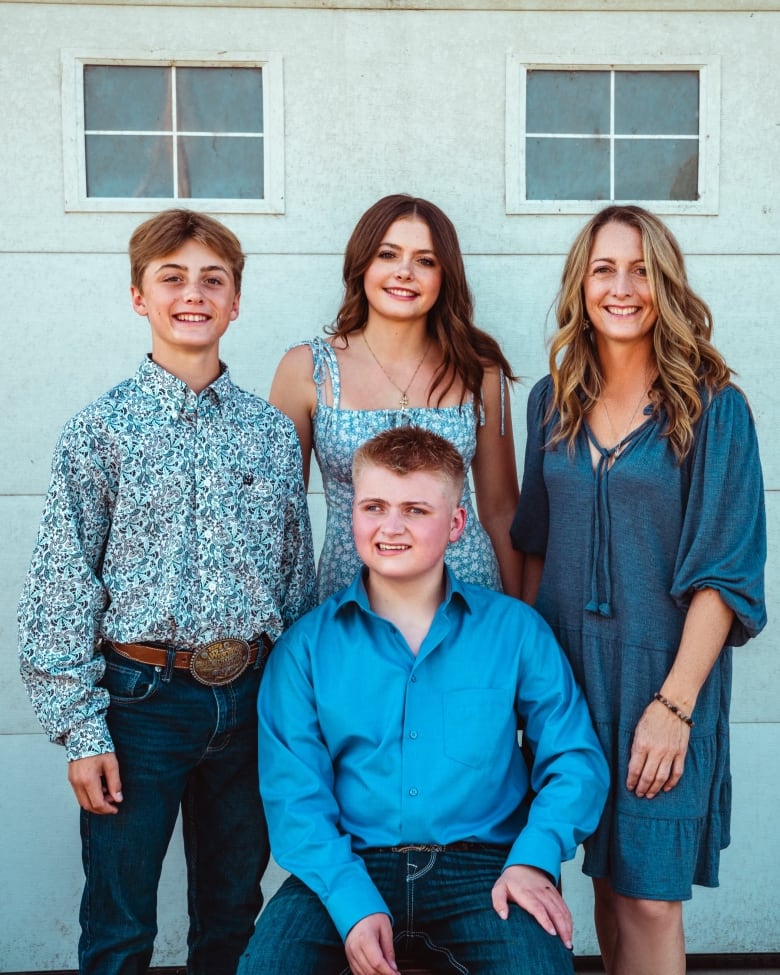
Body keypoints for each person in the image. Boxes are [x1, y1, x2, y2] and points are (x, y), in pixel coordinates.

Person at [17, 209, 316, 975]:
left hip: (248, 699)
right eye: (172, 277)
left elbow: (293, 575)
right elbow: (61, 582)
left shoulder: (269, 433)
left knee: (231, 912)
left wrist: (296, 709)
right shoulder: (100, 431)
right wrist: (82, 730)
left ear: (236, 301)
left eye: (212, 279)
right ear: (138, 296)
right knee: (119, 920)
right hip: (139, 702)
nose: (194, 294)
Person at [237, 426, 610, 975]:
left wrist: (535, 857)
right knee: (268, 967)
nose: (392, 526)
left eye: (415, 510)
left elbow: (575, 759)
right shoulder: (306, 648)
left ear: (456, 524)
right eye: (375, 506)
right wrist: (351, 901)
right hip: (346, 867)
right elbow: (296, 797)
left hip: (485, 869)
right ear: (352, 516)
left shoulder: (515, 631)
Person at [510, 205, 766, 975]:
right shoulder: (550, 404)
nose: (623, 287)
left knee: (651, 896)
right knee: (606, 881)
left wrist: (676, 704)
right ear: (580, 286)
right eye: (604, 269)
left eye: (641, 270)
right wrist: (518, 685)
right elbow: (532, 545)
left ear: (667, 283)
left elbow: (724, 574)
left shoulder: (714, 409)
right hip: (566, 674)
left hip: (664, 674)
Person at [269, 193, 523, 600]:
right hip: (349, 597)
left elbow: (500, 508)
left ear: (445, 276)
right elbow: (281, 516)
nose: (405, 272)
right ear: (362, 264)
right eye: (388, 254)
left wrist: (521, 621)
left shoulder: (479, 370)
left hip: (468, 597)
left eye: (425, 260)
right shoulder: (307, 369)